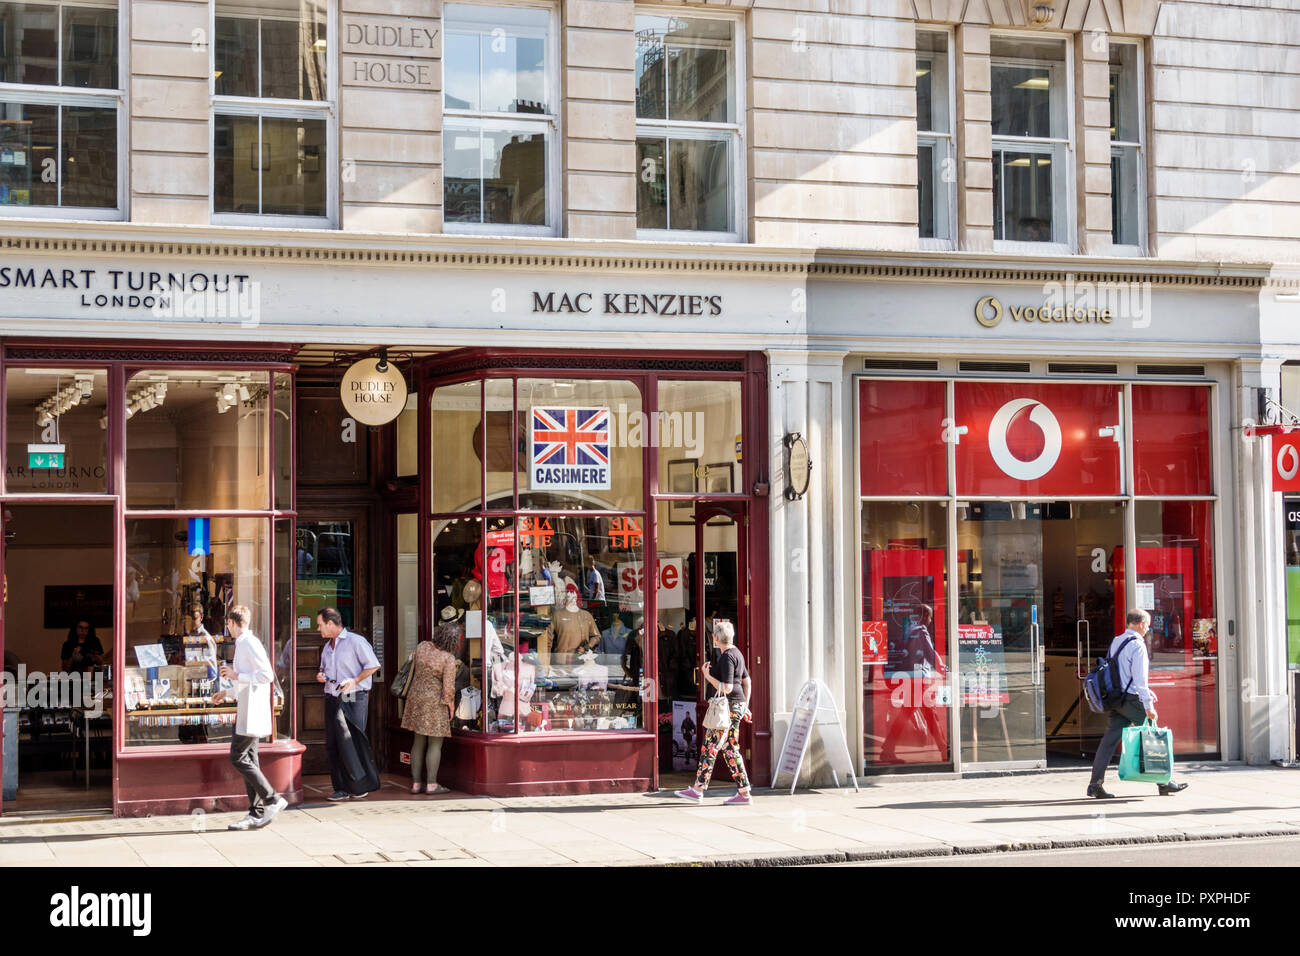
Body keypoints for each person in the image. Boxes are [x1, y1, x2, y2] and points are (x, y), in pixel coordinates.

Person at [1088, 608, 1189, 799]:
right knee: (1153, 732)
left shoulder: (1117, 640)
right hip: (1133, 700)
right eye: (1148, 626)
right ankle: (1164, 782)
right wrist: (1149, 705)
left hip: (1117, 699)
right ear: (1141, 624)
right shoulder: (1138, 645)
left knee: (1108, 741)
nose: (1148, 629)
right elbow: (1140, 680)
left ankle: (1095, 784)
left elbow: (1121, 674)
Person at [214, 605, 286, 830]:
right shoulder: (243, 643)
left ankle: (272, 798)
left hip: (252, 712)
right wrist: (227, 692)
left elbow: (265, 675)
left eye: (228, 624)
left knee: (238, 757)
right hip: (247, 709)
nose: (228, 627)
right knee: (250, 759)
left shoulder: (248, 643)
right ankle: (256, 813)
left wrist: (236, 675)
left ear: (232, 623)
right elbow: (247, 679)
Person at [676, 620, 753, 806]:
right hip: (737, 706)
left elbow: (726, 688)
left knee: (710, 746)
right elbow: (747, 682)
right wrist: (745, 706)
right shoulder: (738, 654)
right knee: (730, 748)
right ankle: (744, 793)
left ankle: (698, 790)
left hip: (726, 708)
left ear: (715, 638)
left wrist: (707, 676)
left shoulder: (727, 657)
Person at [316, 607, 381, 801]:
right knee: (333, 744)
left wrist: (354, 680)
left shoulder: (356, 641)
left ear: (330, 623)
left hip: (353, 696)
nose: (318, 629)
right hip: (332, 696)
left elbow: (374, 665)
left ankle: (359, 785)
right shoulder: (328, 647)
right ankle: (341, 788)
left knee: (350, 742)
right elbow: (324, 670)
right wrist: (322, 675)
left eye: (320, 625)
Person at [878, 604, 947, 764]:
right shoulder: (921, 630)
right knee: (926, 715)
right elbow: (930, 654)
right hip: (918, 680)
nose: (930, 620)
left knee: (924, 714)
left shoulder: (908, 630)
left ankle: (943, 749)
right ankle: (943, 750)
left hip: (909, 678)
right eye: (929, 616)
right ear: (924, 616)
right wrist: (943, 669)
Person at [402, 620, 461, 795]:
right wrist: (451, 706)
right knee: (435, 743)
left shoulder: (422, 646)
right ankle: (432, 784)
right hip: (435, 702)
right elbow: (448, 687)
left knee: (418, 742)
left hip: (416, 698)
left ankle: (416, 783)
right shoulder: (448, 658)